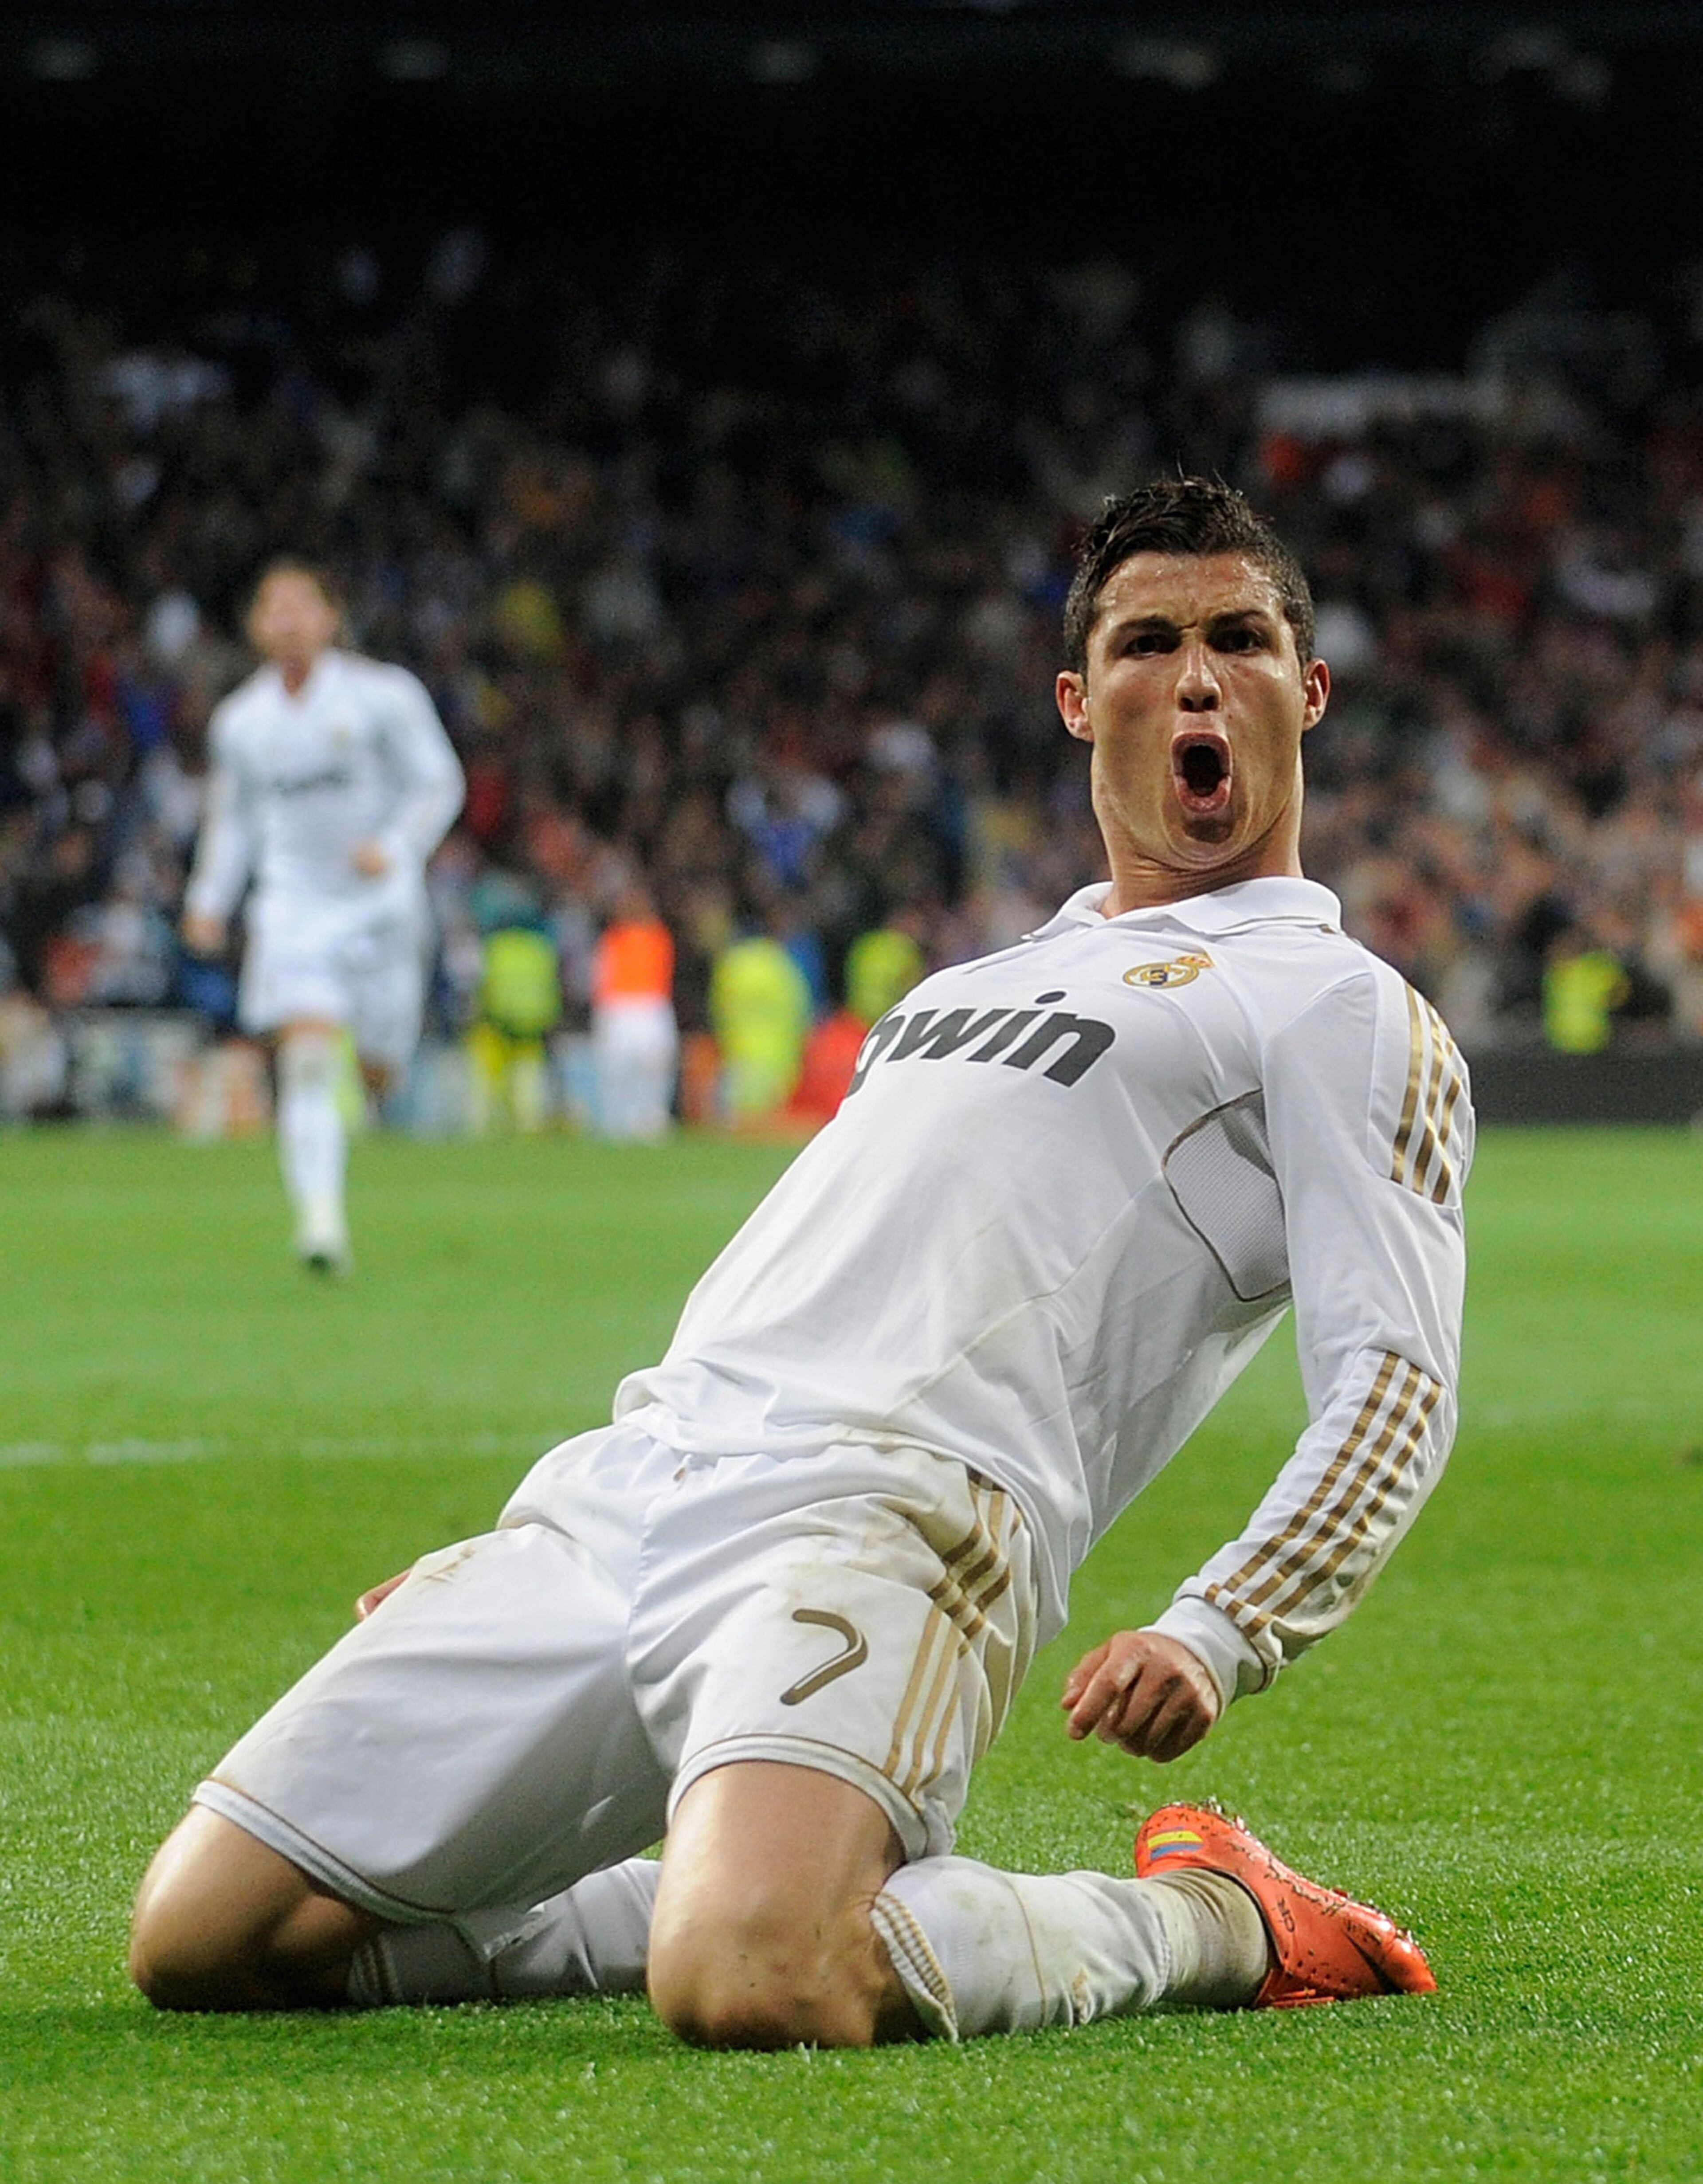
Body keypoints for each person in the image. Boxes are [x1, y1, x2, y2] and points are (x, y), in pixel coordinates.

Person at [132, 479, 1470, 2044]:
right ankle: (759, 1859)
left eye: (1241, 638)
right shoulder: (976, 978)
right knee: (215, 1935)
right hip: (637, 1486)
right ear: (1074, 699)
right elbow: (819, 1253)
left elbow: (1399, 1374)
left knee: (760, 1982)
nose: (1194, 674)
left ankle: (1218, 1916)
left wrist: (1224, 1622)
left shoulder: (1338, 1002)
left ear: (1305, 690)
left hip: (896, 1505)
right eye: (1145, 641)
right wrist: (526, 1531)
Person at [181, 561, 464, 1270]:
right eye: (273, 606)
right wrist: (209, 901)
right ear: (255, 624)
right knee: (306, 1058)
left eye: (303, 604)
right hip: (293, 907)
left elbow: (440, 780)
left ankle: (365, 1077)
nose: (288, 619)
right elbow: (233, 821)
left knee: (379, 1071)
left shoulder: (383, 696)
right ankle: (321, 1224)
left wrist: (397, 845)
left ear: (330, 618)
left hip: (382, 909)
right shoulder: (241, 722)